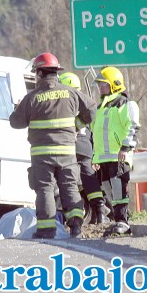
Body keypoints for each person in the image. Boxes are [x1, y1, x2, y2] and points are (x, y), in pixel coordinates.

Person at [9, 53, 97, 239]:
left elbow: (15, 123)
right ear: (56, 72)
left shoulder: (32, 97)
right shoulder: (70, 93)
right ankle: (76, 227)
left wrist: (18, 109)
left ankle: (46, 230)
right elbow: (91, 108)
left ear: (40, 73)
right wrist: (77, 126)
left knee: (45, 190)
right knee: (70, 187)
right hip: (67, 152)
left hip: (42, 154)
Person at [92, 66, 140, 235]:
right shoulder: (101, 108)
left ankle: (123, 221)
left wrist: (125, 148)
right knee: (109, 190)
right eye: (99, 84)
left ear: (114, 84)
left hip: (119, 156)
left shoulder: (125, 104)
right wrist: (94, 157)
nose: (100, 87)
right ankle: (118, 220)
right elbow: (96, 134)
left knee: (119, 189)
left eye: (103, 84)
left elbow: (132, 127)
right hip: (104, 158)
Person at [58, 72, 109, 224]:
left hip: (70, 146)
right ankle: (99, 213)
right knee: (88, 179)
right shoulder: (83, 101)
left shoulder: (63, 103)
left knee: (67, 180)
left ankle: (68, 216)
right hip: (86, 145)